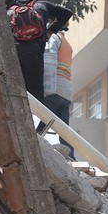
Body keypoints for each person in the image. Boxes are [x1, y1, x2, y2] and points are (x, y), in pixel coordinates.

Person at [0, 0, 49, 104]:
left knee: (32, 89)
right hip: (13, 39)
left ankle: (38, 125)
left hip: (26, 40)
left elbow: (1, 1)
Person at [38, 10, 75, 155]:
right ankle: (70, 156)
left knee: (43, 122)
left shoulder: (54, 38)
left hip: (54, 89)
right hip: (65, 93)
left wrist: (45, 89)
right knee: (64, 131)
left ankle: (31, 145)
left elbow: (49, 62)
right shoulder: (66, 43)